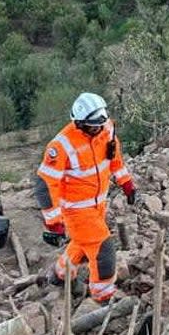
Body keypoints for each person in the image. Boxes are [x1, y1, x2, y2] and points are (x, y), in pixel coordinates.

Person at [34, 92, 136, 304]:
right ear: (79, 123)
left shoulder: (106, 130)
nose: (96, 129)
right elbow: (45, 185)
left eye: (98, 125)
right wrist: (53, 223)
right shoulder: (61, 145)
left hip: (99, 203)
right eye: (90, 126)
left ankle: (60, 274)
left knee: (81, 244)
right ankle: (103, 296)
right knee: (103, 249)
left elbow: (114, 159)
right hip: (76, 210)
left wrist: (126, 183)